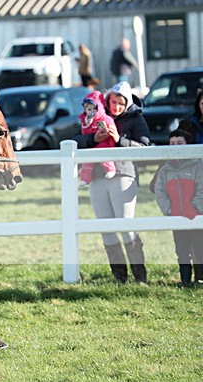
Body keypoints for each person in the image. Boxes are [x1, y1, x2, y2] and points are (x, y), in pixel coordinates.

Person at [72, 81, 151, 284]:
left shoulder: (136, 120)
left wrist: (119, 140)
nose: (116, 106)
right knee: (105, 228)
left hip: (124, 175)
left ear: (127, 103)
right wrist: (94, 139)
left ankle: (140, 277)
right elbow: (74, 140)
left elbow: (145, 148)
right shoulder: (94, 116)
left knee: (125, 225)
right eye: (113, 102)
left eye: (120, 102)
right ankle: (119, 278)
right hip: (97, 176)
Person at [153, 129, 203, 285]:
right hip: (175, 215)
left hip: (196, 215)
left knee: (199, 249)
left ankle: (200, 278)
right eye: (172, 144)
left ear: (188, 145)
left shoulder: (198, 166)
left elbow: (202, 188)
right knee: (181, 249)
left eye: (179, 143)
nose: (175, 146)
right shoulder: (165, 170)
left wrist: (196, 207)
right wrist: (168, 209)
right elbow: (159, 191)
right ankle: (185, 280)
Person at [78, 90, 116, 187]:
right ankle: (85, 179)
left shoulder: (106, 118)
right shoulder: (85, 121)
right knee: (87, 163)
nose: (91, 111)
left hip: (104, 144)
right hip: (92, 146)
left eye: (93, 109)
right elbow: (84, 133)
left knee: (105, 157)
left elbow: (112, 129)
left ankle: (111, 170)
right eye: (88, 109)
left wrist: (111, 140)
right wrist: (86, 124)